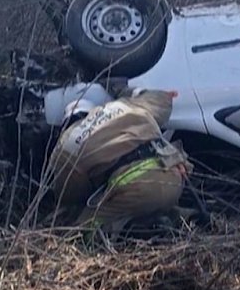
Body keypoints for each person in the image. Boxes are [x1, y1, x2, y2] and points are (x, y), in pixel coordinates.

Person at [45, 85, 194, 233]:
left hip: (136, 189)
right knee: (141, 204)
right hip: (172, 176)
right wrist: (121, 87)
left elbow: (70, 195)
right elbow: (161, 100)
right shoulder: (121, 106)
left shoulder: (67, 143)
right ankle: (182, 218)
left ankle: (133, 230)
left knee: (79, 229)